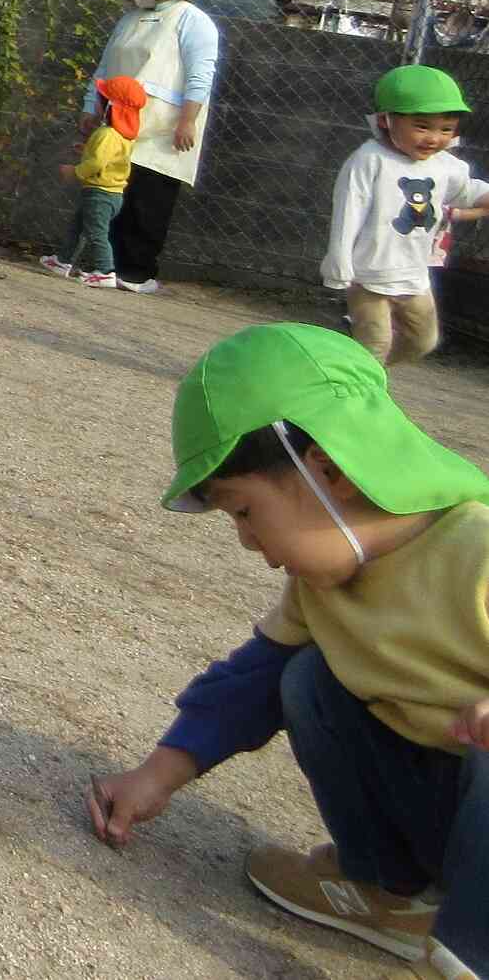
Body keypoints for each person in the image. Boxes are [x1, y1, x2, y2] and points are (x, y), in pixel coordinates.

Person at [86, 323, 488, 980]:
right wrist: (157, 774)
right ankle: (391, 895)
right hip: (449, 826)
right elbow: (249, 683)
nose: (245, 540)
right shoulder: (323, 587)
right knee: (304, 678)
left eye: (244, 512)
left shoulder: (475, 550)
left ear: (329, 472)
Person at [323, 64, 489, 366]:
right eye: (422, 126)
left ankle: (365, 377)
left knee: (422, 340)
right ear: (386, 120)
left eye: (446, 129)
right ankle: (362, 391)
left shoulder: (443, 163)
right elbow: (349, 210)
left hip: (413, 274)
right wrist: (339, 262)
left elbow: (465, 189)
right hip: (368, 274)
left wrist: (483, 196)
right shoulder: (370, 160)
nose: (434, 139)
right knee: (376, 343)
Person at [79, 0, 220, 292]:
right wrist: (90, 107)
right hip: (118, 122)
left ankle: (139, 272)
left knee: (149, 199)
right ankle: (106, 265)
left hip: (163, 126)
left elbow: (201, 75)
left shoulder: (191, 19)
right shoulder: (128, 20)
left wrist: (187, 121)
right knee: (112, 193)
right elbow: (105, 67)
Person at [39, 75, 147, 288]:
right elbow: (109, 158)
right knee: (78, 225)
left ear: (110, 106)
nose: (96, 104)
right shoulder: (123, 135)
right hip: (111, 194)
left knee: (96, 233)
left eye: (100, 99)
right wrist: (86, 149)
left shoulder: (107, 134)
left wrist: (75, 171)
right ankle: (63, 260)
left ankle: (105, 271)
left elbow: (97, 163)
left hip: (100, 193)